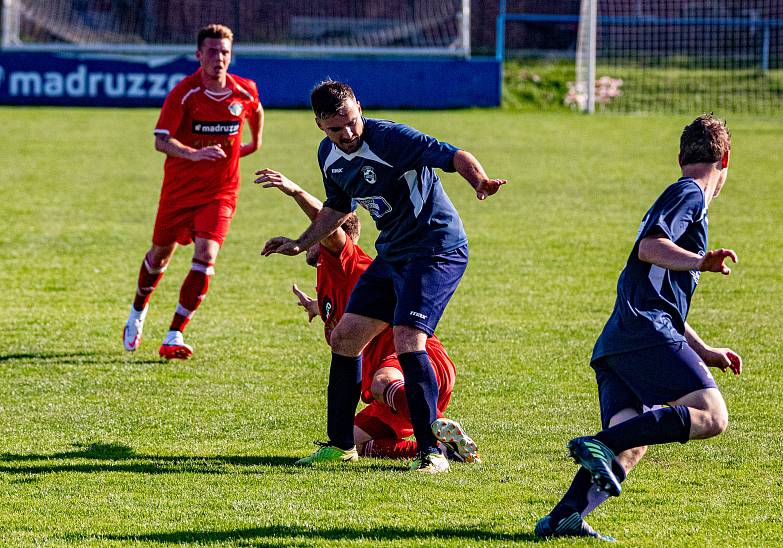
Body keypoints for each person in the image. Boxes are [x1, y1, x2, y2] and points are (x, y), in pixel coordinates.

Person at [261, 81, 506, 473]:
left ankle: (432, 452)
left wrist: (479, 180)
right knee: (344, 337)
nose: (347, 134)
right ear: (320, 126)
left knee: (409, 338)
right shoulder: (329, 156)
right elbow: (336, 209)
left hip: (435, 248)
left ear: (359, 107)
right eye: (335, 129)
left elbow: (454, 154)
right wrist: (299, 243)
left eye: (351, 122)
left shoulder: (392, 139)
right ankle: (341, 446)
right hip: (393, 253)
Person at [535, 114, 742, 541]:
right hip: (642, 332)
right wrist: (700, 261)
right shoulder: (689, 194)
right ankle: (600, 442)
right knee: (713, 415)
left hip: (622, 339)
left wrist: (703, 351)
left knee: (632, 443)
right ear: (725, 157)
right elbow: (649, 248)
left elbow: (658, 294)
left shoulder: (682, 193)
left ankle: (562, 518)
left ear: (680, 156)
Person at [255, 169, 480, 464]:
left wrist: (295, 191)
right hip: (391, 396)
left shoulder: (348, 261)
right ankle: (447, 450)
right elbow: (344, 311)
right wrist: (314, 306)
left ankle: (437, 425)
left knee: (382, 380)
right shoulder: (328, 274)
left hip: (414, 364)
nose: (309, 239)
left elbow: (330, 230)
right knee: (359, 441)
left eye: (316, 233)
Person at [122, 24, 264, 359]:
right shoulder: (184, 93)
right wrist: (193, 154)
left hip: (220, 192)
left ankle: (174, 334)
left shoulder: (243, 90)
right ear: (199, 54)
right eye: (212, 51)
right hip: (179, 192)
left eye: (225, 52)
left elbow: (255, 109)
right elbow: (160, 140)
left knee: (207, 256)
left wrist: (256, 142)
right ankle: (137, 312)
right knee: (160, 255)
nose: (219, 58)